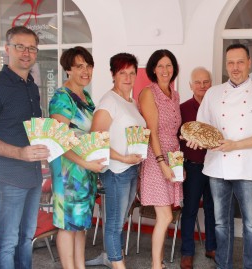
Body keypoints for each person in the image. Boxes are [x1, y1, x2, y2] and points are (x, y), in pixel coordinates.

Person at [187, 43, 252, 269]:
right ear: (226, 64)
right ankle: (223, 265)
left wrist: (235, 144)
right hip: (218, 167)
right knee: (221, 223)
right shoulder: (213, 93)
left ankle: (251, 266)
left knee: (251, 224)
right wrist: (196, 139)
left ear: (249, 63)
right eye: (231, 62)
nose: (235, 67)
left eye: (240, 62)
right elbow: (203, 127)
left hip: (249, 168)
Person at [0, 26, 50, 269]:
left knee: (27, 238)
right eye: (20, 47)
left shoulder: (31, 86)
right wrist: (19, 153)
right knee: (7, 241)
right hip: (7, 176)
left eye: (32, 48)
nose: (26, 52)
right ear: (7, 49)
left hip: (33, 175)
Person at [49, 46, 106, 268]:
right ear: (68, 70)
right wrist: (85, 163)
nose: (86, 71)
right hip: (68, 171)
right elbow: (58, 140)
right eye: (79, 66)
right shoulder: (62, 98)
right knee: (66, 225)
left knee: (80, 224)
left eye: (89, 66)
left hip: (86, 170)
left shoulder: (85, 95)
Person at [91, 52, 145, 269]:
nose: (128, 78)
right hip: (116, 170)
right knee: (114, 223)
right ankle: (117, 264)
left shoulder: (131, 101)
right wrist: (123, 157)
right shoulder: (109, 101)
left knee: (120, 220)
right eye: (123, 73)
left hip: (131, 169)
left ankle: (110, 256)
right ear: (113, 74)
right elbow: (96, 139)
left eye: (132, 73)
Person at [139, 49, 184, 269]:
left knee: (166, 215)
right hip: (157, 157)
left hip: (173, 154)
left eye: (169, 65)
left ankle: (160, 262)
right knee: (165, 216)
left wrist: (176, 162)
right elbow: (152, 132)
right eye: (160, 66)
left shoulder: (174, 94)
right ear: (153, 69)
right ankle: (156, 265)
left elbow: (174, 130)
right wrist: (162, 163)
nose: (165, 70)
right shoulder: (149, 93)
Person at [179, 67, 217, 269]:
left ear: (211, 83)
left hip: (214, 166)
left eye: (206, 82)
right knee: (190, 210)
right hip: (192, 167)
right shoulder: (183, 108)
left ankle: (212, 247)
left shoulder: (218, 107)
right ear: (190, 85)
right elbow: (176, 139)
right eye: (198, 82)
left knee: (213, 209)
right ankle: (187, 252)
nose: (202, 86)